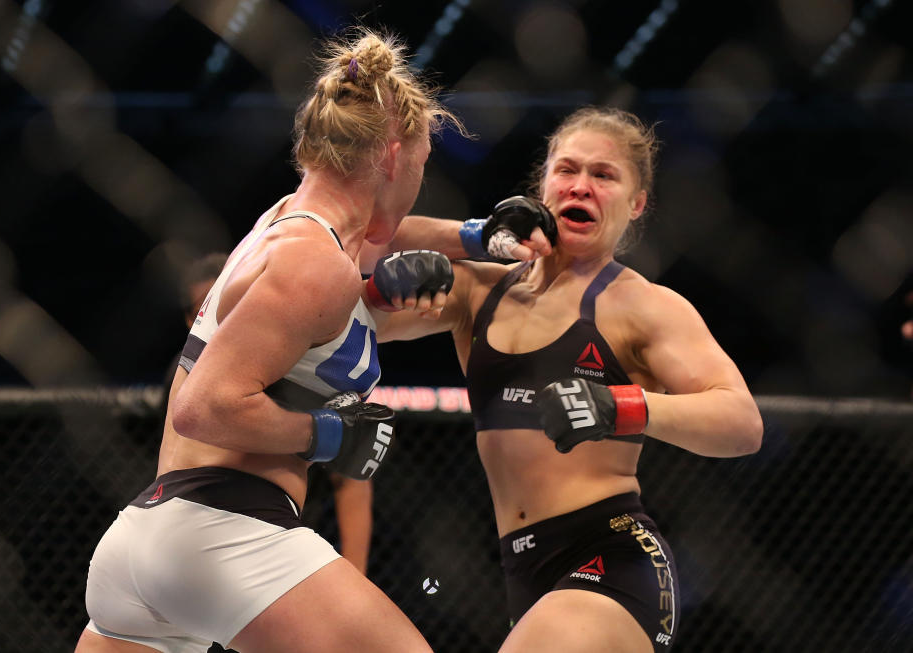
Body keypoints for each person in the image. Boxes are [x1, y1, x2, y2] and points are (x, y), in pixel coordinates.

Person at [75, 28, 461, 653]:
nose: (418, 180)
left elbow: (370, 258)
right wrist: (328, 436)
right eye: (419, 165)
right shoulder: (315, 263)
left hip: (146, 541)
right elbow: (203, 407)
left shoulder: (284, 224)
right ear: (392, 158)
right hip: (223, 533)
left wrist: (472, 236)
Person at [370, 106, 764, 653]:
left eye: (604, 175)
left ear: (636, 203)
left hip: (613, 559)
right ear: (543, 187)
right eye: (568, 170)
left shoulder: (644, 307)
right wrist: (474, 235)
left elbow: (742, 423)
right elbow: (363, 232)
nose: (582, 185)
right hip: (518, 572)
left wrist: (619, 406)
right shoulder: (480, 290)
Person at [167, 252, 376, 577]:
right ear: (194, 320)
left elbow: (349, 479)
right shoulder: (186, 376)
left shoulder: (301, 359)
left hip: (288, 536)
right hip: (200, 530)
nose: (230, 317)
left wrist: (357, 573)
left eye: (241, 303)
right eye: (211, 310)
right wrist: (319, 432)